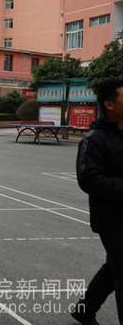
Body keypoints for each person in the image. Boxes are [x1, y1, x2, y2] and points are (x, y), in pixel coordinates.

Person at [72, 80, 123, 325]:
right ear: (109, 104)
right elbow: (89, 180)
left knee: (115, 267)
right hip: (112, 220)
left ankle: (85, 308)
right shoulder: (94, 140)